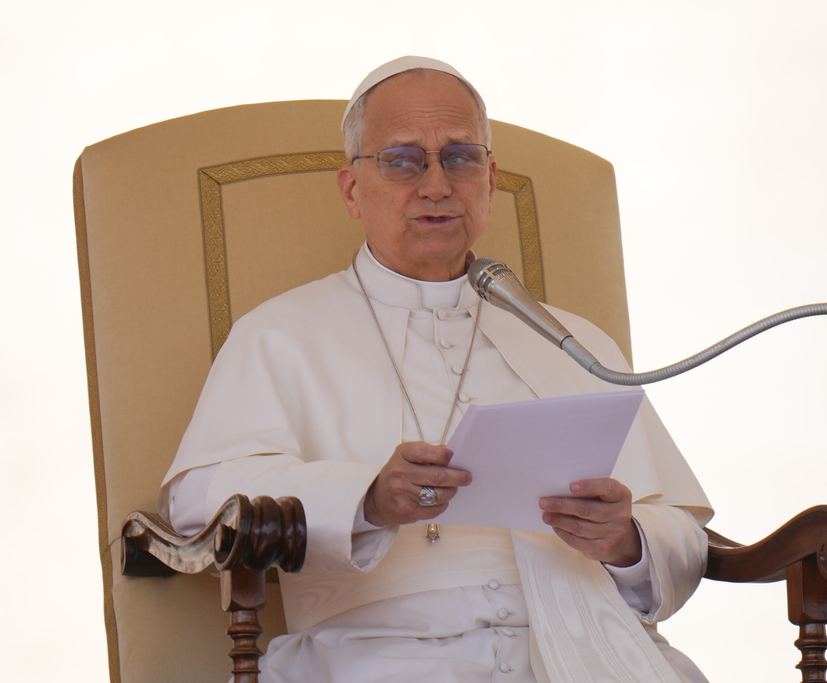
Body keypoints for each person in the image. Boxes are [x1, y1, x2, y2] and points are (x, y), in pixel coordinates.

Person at [160, 56, 713, 683]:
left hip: (591, 649)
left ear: (489, 178)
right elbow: (196, 502)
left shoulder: (573, 340)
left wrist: (626, 539)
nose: (435, 184)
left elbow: (684, 535)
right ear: (351, 189)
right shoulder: (278, 333)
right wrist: (366, 497)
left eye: (459, 157)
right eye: (402, 160)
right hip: (378, 654)